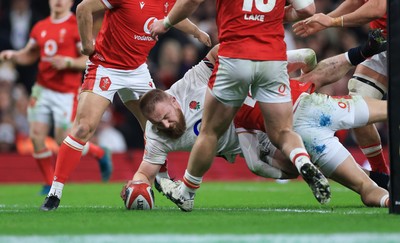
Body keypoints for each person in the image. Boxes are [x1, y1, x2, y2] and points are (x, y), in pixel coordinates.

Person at [122, 31, 389, 209]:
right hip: (261, 122)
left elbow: (217, 52)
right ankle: (373, 178)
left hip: (262, 121)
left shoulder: (189, 85)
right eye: (159, 124)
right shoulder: (158, 133)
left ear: (171, 100)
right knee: (291, 153)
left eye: (166, 118)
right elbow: (145, 172)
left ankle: (367, 179)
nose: (166, 126)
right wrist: (137, 185)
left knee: (277, 154)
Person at [150, 0, 331, 212]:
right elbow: (308, 10)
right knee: (283, 131)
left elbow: (192, 1)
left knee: (209, 131)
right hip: (272, 58)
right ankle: (302, 161)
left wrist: (167, 22)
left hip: (235, 57)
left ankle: (187, 192)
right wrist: (270, 16)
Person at [39, 0, 211, 211]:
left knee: (155, 123)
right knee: (84, 127)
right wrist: (87, 45)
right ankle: (55, 192)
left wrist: (196, 31)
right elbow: (84, 8)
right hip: (105, 66)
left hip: (137, 69)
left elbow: (173, 16)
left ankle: (162, 178)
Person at [0, 0, 112, 196]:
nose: (59, 1)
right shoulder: (40, 26)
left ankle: (99, 153)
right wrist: (14, 56)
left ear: (70, 2)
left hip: (66, 92)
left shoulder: (75, 26)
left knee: (63, 140)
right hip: (42, 89)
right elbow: (30, 55)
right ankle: (47, 182)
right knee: (36, 136)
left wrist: (68, 62)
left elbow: (89, 58)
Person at [292, 0, 389, 175]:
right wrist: (325, 21)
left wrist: (333, 22)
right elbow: (357, 1)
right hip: (382, 43)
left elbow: (377, 8)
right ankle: (380, 174)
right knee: (357, 110)